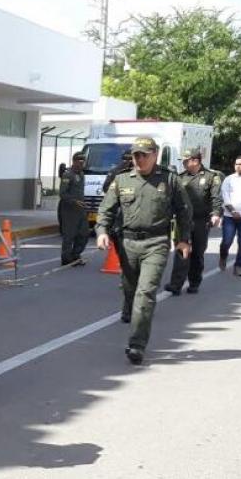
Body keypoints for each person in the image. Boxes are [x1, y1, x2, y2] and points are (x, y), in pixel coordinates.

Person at [95, 137, 192, 365]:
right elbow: (106, 210)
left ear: (155, 154)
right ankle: (129, 309)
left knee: (145, 293)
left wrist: (183, 240)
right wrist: (102, 231)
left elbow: (184, 210)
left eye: (144, 154)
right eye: (136, 154)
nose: (139, 159)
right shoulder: (121, 180)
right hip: (127, 243)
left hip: (156, 243)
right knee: (130, 288)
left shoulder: (169, 179)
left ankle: (137, 344)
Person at [164, 148, 223, 295]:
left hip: (200, 221)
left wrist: (215, 214)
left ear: (195, 161)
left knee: (197, 253)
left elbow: (216, 198)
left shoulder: (211, 177)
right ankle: (176, 285)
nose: (183, 163)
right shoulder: (180, 177)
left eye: (186, 160)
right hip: (182, 220)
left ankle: (194, 282)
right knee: (180, 250)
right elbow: (172, 199)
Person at [58, 152, 90, 266]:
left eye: (83, 162)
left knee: (84, 234)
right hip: (69, 210)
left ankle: (76, 255)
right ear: (74, 161)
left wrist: (82, 202)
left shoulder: (81, 174)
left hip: (80, 210)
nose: (82, 164)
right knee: (69, 235)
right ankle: (66, 259)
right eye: (79, 162)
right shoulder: (68, 175)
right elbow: (62, 193)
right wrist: (74, 201)